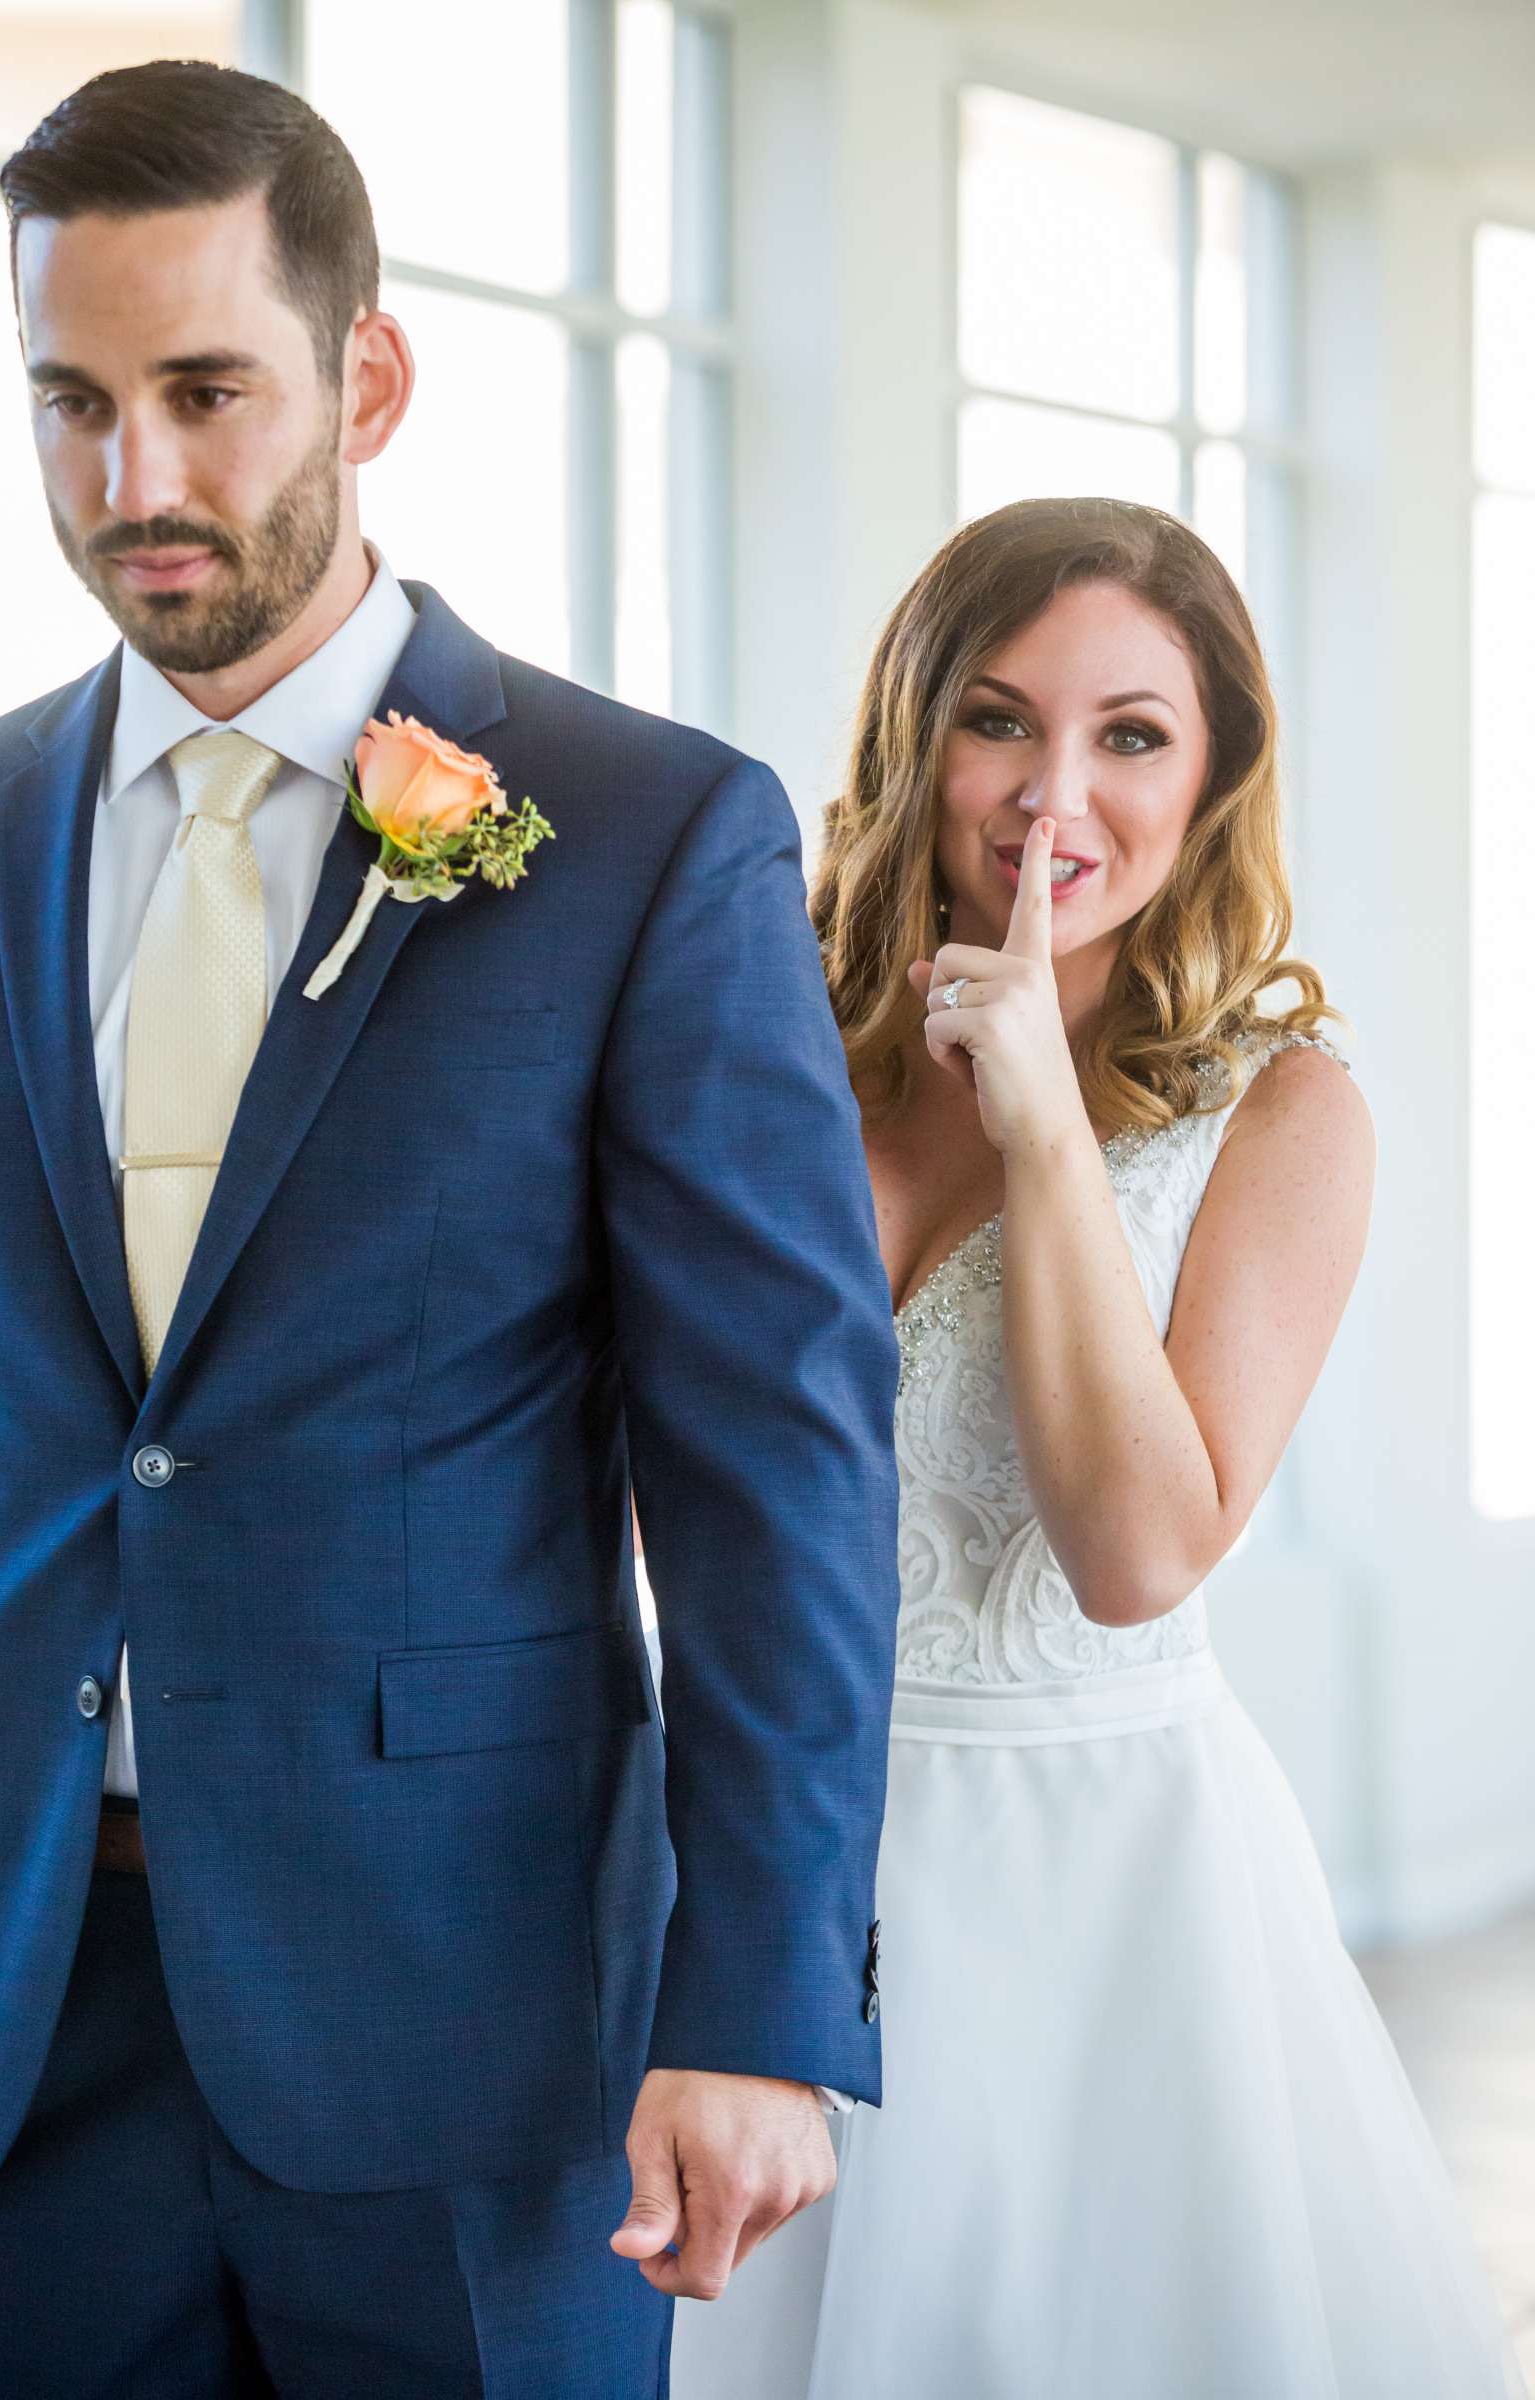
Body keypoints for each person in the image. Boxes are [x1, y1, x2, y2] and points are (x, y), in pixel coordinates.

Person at [0, 60, 901, 2399]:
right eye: (69, 401)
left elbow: (773, 1461)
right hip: (4, 2019)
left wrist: (762, 1996)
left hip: (471, 2039)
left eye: (204, 392)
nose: (131, 482)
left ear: (365, 377)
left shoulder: (648, 834)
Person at [669, 497, 1526, 2398]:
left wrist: (1051, 1127)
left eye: (1131, 733)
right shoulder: (752, 1040)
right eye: (999, 719)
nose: (1053, 789)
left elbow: (1141, 1550)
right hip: (733, 1858)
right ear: (915, 737)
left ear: (1213, 773)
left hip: (1096, 1899)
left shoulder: (1285, 1115)